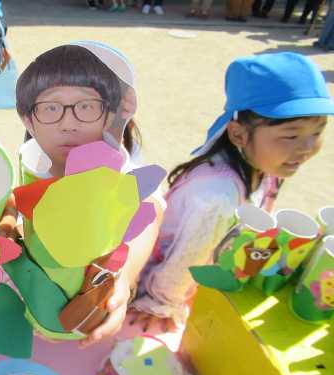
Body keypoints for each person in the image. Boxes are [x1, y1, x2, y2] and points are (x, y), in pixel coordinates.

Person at [129, 53, 334, 332]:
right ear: (238, 134)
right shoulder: (219, 196)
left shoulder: (264, 164)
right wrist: (160, 303)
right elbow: (187, 261)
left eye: (318, 132)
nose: (307, 148)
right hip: (156, 287)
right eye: (291, 135)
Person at [15, 44, 162, 347]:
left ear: (116, 114)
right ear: (29, 118)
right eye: (51, 107)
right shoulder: (31, 165)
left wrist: (125, 278)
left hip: (94, 308)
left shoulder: (120, 170)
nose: (69, 124)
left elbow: (152, 208)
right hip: (33, 310)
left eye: (87, 106)